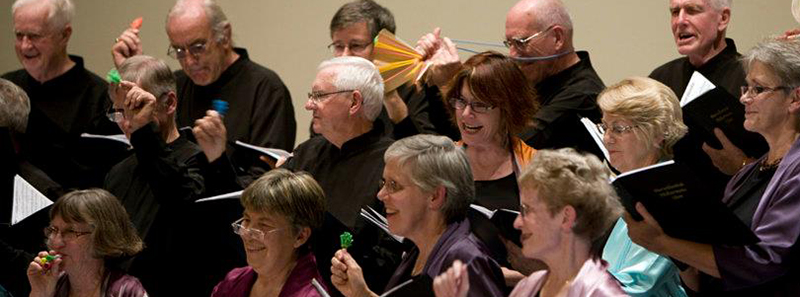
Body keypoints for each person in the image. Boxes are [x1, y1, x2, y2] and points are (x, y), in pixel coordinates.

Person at [627, 38, 800, 296]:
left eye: (758, 89)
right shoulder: (749, 172)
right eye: (746, 87)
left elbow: (764, 260)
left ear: (795, 98)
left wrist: (665, 243)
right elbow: (712, 260)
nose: (744, 98)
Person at [112, 0, 296, 175]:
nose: (189, 61)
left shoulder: (266, 88)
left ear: (224, 36)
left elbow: (268, 177)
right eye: (179, 51)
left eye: (197, 47)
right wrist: (133, 77)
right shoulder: (176, 84)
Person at [417, 0, 605, 157]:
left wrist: (451, 83)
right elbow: (456, 137)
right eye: (509, 43)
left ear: (557, 37)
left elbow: (505, 148)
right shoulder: (532, 75)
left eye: (521, 43)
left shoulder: (584, 94)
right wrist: (443, 84)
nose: (513, 55)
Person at [281, 56, 403, 293]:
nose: (309, 105)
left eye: (319, 96)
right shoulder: (306, 152)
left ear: (354, 102)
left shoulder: (395, 164)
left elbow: (388, 256)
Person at [434, 148, 626, 297]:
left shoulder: (602, 292)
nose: (517, 223)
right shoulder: (530, 285)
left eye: (527, 210)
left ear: (566, 217)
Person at [331, 134, 505, 297]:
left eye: (394, 185)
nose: (381, 195)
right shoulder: (418, 250)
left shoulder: (465, 262)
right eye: (383, 183)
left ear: (435, 196)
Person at [103, 55, 207, 296]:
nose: (127, 122)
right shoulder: (118, 172)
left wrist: (144, 133)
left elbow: (179, 200)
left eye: (135, 107)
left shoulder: (199, 161)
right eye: (120, 111)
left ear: (169, 103)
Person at [649, 0, 767, 198]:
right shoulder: (660, 79)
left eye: (693, 11)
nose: (680, 21)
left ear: (723, 18)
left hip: (737, 204)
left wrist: (742, 164)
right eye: (675, 12)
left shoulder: (752, 78)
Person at [440, 51, 540, 281]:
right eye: (461, 101)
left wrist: (520, 277)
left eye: (480, 105)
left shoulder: (539, 169)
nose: (466, 114)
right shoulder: (439, 165)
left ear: (508, 109)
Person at [3, 0, 121, 191]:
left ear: (65, 35)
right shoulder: (6, 87)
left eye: (34, 36)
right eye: (19, 35)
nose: (25, 46)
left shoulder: (100, 98)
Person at [596, 77, 688, 296]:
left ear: (657, 132)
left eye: (618, 129)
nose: (607, 139)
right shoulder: (628, 185)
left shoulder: (669, 193)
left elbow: (634, 287)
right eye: (604, 127)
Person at [326, 0, 455, 140]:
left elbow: (427, 155)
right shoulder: (333, 90)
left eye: (356, 46)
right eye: (338, 46)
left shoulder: (414, 85)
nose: (345, 56)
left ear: (384, 46)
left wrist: (392, 100)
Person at [211, 169, 328, 297]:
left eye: (264, 225)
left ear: (300, 236)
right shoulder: (233, 281)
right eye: (247, 219)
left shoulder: (312, 294)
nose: (247, 234)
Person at [26, 189, 147, 297]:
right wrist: (40, 293)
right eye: (54, 230)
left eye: (71, 231)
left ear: (102, 237)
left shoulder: (126, 291)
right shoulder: (51, 281)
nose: (56, 242)